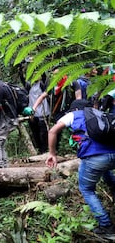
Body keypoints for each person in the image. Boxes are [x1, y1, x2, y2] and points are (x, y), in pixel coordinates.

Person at [46, 99, 115, 238]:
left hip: (94, 157)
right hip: (113, 154)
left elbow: (53, 131)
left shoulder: (74, 115)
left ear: (75, 109)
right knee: (105, 170)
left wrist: (52, 153)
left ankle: (106, 227)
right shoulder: (100, 113)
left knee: (87, 189)